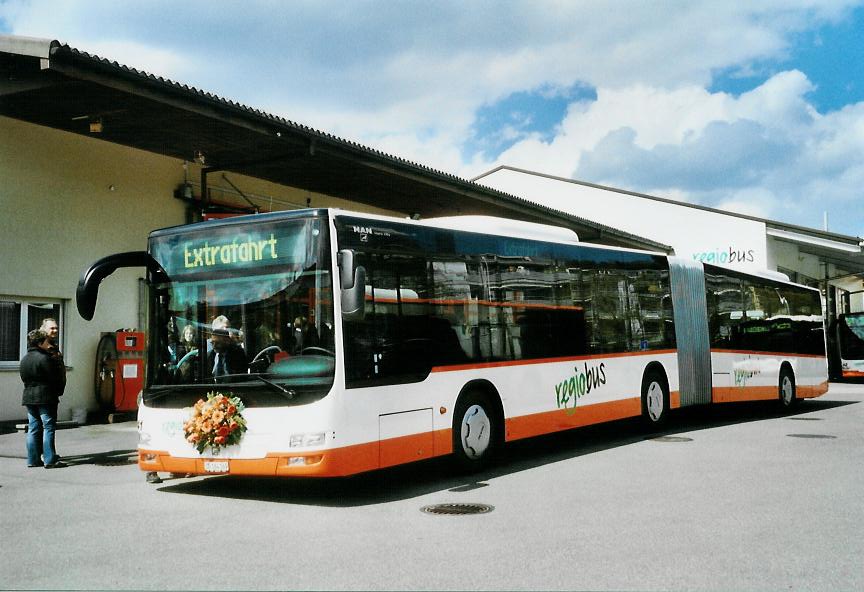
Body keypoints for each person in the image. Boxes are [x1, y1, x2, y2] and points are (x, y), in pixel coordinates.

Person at [19, 328, 67, 469]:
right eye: (46, 341)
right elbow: (53, 378)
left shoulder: (24, 359)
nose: (48, 344)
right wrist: (58, 390)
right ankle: (50, 459)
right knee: (48, 427)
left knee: (33, 428)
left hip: (28, 396)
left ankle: (33, 459)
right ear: (40, 343)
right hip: (46, 396)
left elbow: (23, 378)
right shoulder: (45, 358)